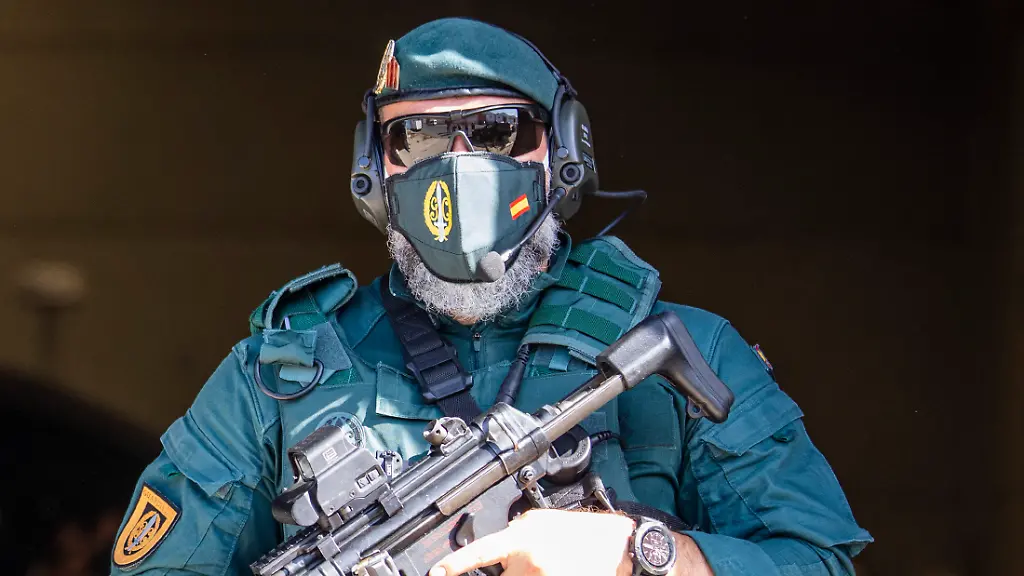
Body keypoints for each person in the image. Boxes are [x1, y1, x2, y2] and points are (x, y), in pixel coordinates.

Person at [109, 17, 872, 576]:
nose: (458, 163)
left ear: (563, 154)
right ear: (375, 172)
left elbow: (819, 561)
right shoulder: (279, 377)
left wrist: (640, 554)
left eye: (499, 131)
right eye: (418, 138)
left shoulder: (684, 352)